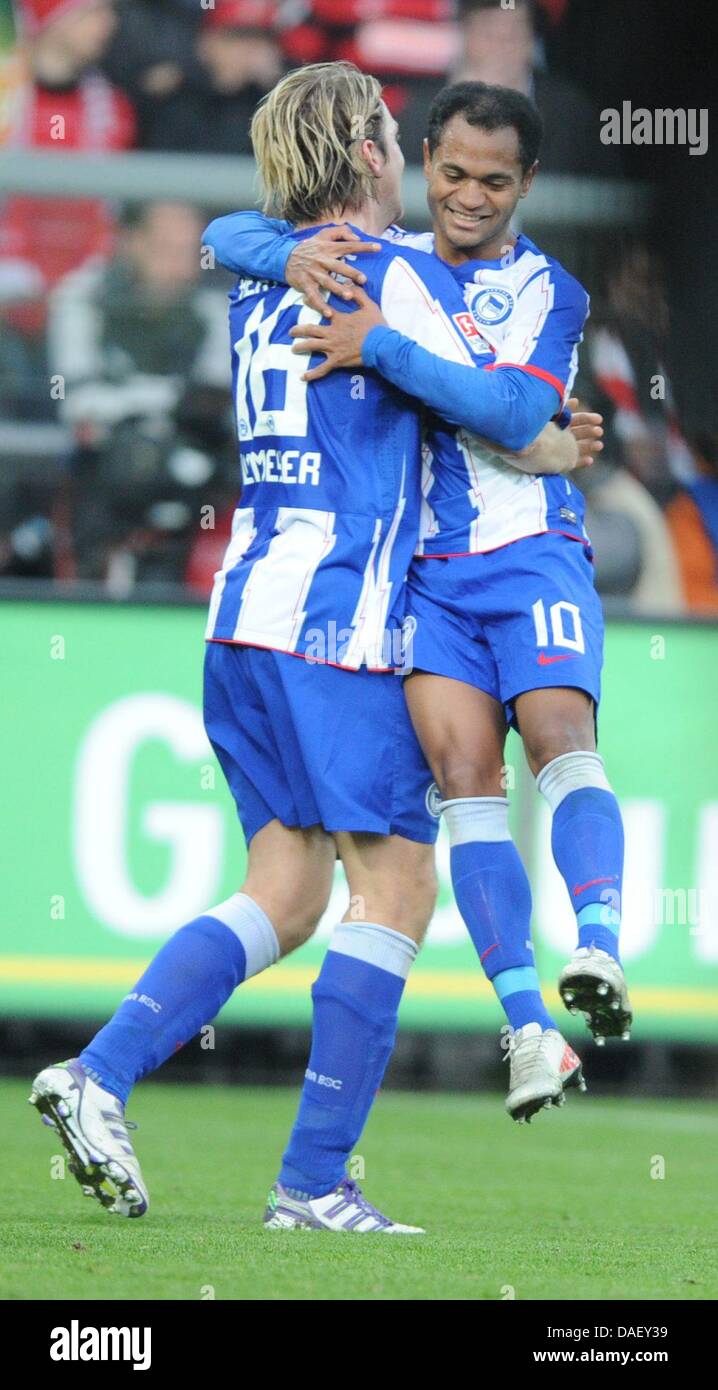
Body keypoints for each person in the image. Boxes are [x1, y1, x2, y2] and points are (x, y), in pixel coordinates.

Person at [30, 63, 590, 1234]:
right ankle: (314, 1182)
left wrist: (278, 247)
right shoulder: (389, 275)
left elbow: (245, 236)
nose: (406, 158)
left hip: (243, 613)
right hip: (337, 622)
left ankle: (96, 1075)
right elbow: (500, 407)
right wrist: (540, 444)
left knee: (284, 893)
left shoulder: (260, 272)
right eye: (392, 136)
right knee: (396, 882)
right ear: (369, 155)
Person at [204, 79, 632, 1089]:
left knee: (561, 743)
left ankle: (603, 941)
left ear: (526, 182)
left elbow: (508, 407)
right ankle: (528, 1028)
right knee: (466, 791)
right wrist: (289, 250)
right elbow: (231, 229)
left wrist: (385, 351)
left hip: (530, 553)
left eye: (494, 182)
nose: (470, 198)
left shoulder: (549, 291)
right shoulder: (387, 261)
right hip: (429, 579)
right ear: (413, 161)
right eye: (449, 173)